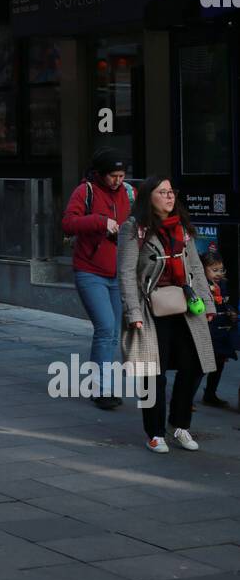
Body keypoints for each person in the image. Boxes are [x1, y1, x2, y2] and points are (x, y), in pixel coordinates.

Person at [118, 175, 215, 454]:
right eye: (163, 192)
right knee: (152, 373)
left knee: (196, 364)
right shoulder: (133, 228)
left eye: (171, 192)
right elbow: (126, 273)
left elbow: (194, 266)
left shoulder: (181, 227)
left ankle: (180, 424)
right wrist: (132, 311)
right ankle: (155, 433)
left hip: (184, 305)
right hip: (150, 309)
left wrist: (207, 304)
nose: (170, 197)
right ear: (149, 197)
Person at [61, 149, 135, 411]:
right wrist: (101, 222)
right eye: (113, 176)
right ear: (101, 174)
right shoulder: (85, 191)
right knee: (105, 328)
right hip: (90, 270)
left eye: (122, 175)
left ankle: (107, 386)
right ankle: (101, 389)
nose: (118, 180)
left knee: (114, 332)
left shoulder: (129, 192)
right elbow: (68, 223)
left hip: (119, 273)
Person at [194, 250, 238, 409]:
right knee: (202, 364)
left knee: (220, 362)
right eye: (214, 270)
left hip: (222, 328)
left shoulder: (223, 284)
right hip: (208, 327)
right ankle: (187, 398)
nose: (219, 273)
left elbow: (226, 301)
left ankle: (210, 393)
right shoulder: (200, 285)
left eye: (221, 270)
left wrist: (231, 311)